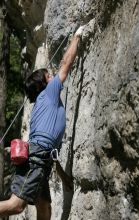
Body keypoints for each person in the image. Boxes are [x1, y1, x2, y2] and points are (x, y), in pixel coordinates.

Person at [0, 25, 85, 220]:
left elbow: (49, 144)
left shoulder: (42, 101)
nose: (53, 76)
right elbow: (66, 64)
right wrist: (77, 36)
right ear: (45, 83)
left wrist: (62, 175)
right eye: (49, 75)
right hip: (37, 158)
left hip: (41, 158)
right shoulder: (49, 92)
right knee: (16, 205)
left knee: (44, 208)